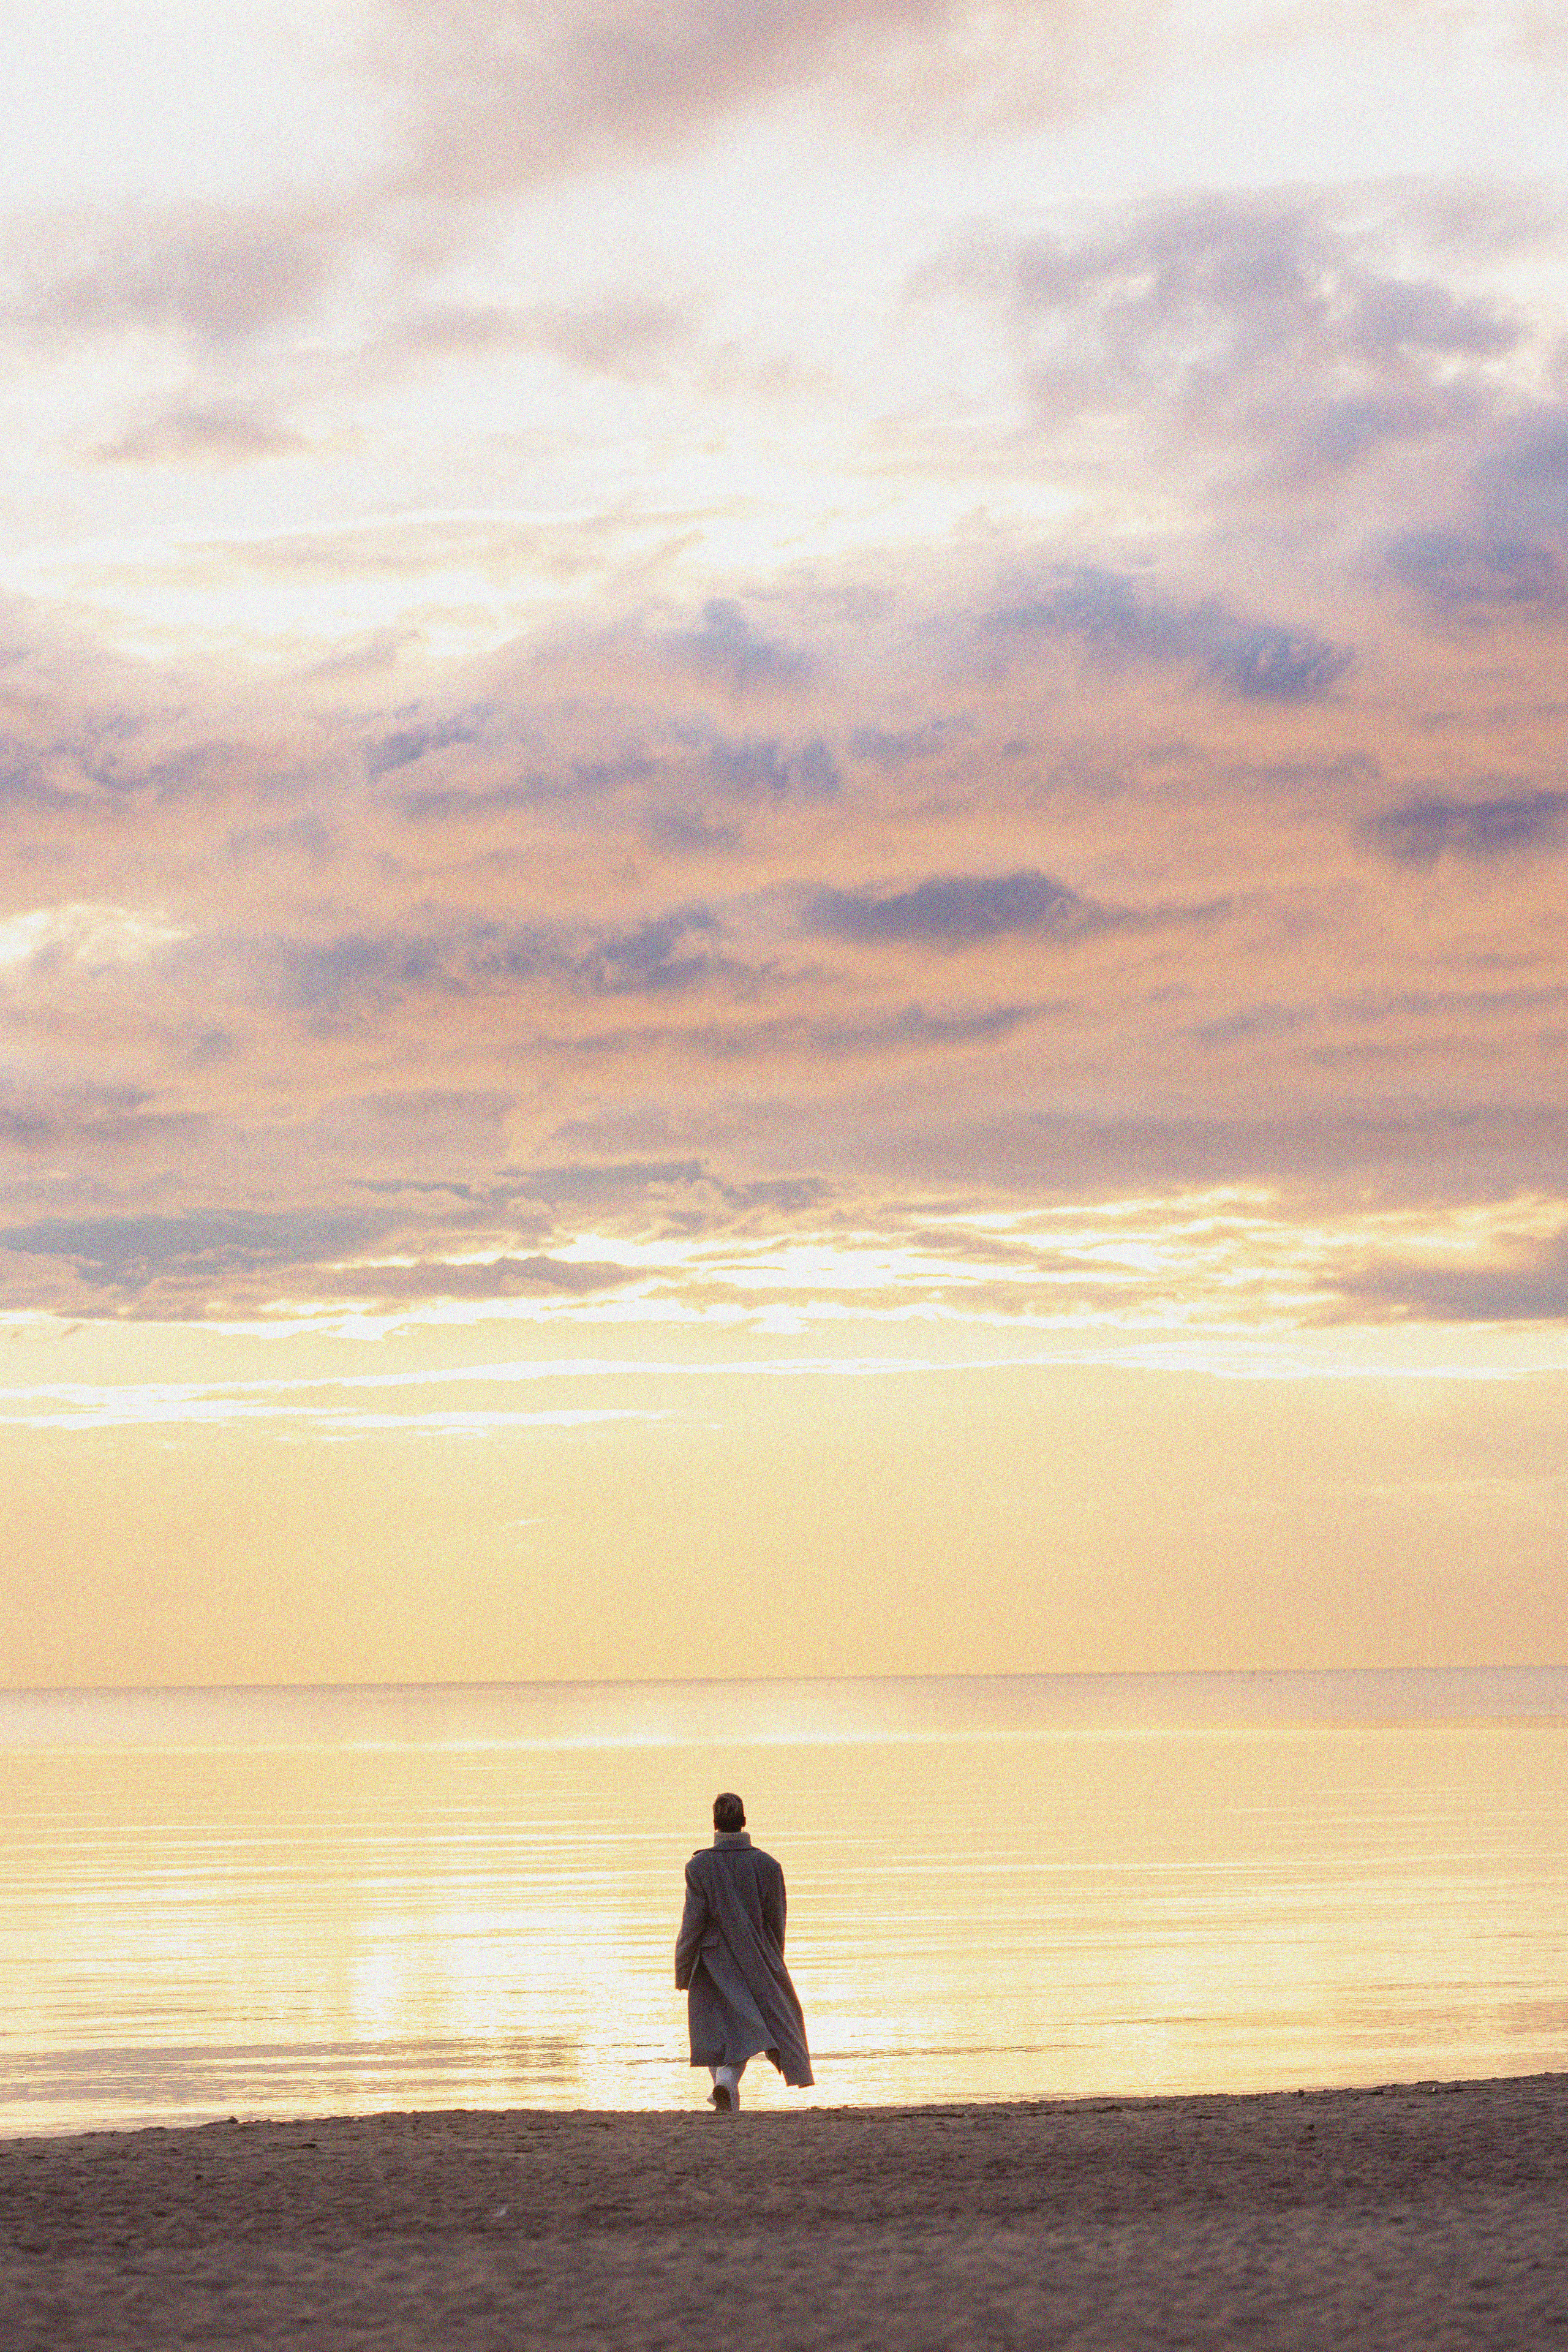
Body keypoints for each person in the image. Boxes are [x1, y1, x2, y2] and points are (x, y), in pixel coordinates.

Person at [674, 1791, 813, 2111]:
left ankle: (724, 2085)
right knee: (749, 2029)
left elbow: (691, 1925)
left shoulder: (700, 1867)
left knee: (716, 2033)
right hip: (757, 1959)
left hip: (711, 1962)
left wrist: (683, 1968)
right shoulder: (767, 1865)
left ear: (715, 1824)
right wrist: (773, 1961)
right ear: (744, 1822)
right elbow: (776, 1920)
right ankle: (725, 2090)